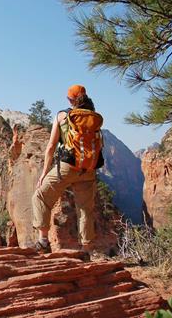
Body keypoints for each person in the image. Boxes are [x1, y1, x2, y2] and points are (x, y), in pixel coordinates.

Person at [31, 84, 103, 256]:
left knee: (40, 196)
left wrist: (43, 173)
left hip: (67, 166)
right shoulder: (93, 117)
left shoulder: (63, 116)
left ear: (70, 99)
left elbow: (50, 147)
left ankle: (43, 241)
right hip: (88, 169)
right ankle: (86, 250)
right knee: (85, 209)